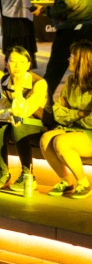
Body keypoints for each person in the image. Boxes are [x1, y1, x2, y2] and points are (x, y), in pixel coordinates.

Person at [0, 46, 48, 194]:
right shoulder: (4, 81)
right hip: (16, 121)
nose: (17, 66)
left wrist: (17, 89)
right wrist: (8, 115)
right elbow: (2, 109)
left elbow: (24, 111)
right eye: (13, 61)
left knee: (18, 126)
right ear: (6, 64)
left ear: (28, 65)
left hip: (38, 125)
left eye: (22, 62)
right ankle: (3, 172)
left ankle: (28, 175)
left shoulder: (39, 83)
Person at [40, 40, 92, 199]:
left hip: (89, 133)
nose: (69, 59)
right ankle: (66, 181)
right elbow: (58, 111)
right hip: (74, 128)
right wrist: (80, 114)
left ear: (82, 60)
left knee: (61, 142)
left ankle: (83, 183)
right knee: (45, 139)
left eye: (72, 56)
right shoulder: (71, 82)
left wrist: (71, 113)